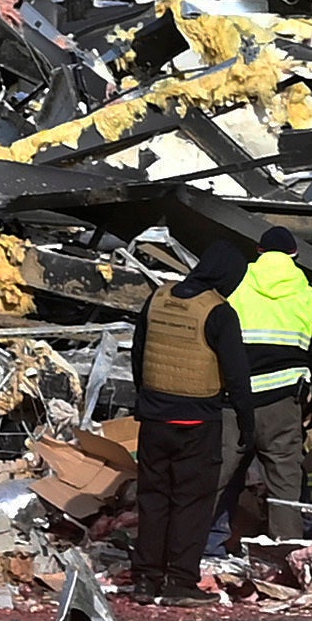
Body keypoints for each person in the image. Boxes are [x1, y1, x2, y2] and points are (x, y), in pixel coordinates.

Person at [125, 235, 267, 601]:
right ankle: (180, 583)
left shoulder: (158, 298)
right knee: (191, 502)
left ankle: (145, 580)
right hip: (197, 423)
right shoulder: (218, 311)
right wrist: (247, 422)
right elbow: (236, 375)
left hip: (155, 420)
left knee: (153, 499)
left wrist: (146, 399)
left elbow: (139, 354)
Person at [221, 225, 312, 546]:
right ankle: (288, 553)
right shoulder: (310, 298)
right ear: (294, 255)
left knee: (221, 476)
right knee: (285, 481)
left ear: (259, 251)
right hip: (283, 402)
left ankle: (204, 547)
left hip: (233, 400)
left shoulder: (234, 287)